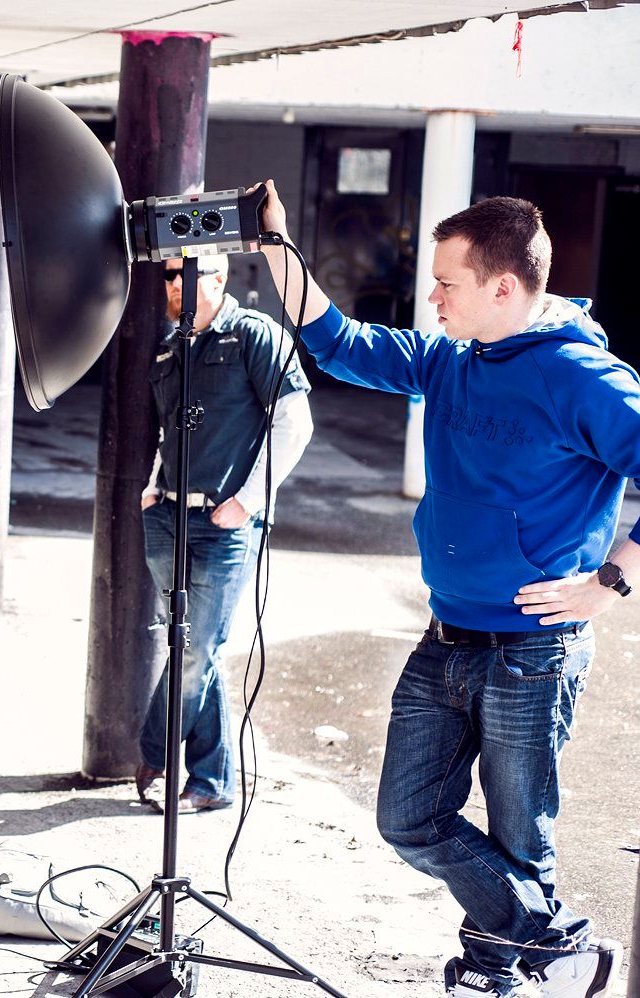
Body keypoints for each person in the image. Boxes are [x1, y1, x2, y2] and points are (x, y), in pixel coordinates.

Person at [255, 183, 628, 998]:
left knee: (521, 832)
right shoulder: (452, 360)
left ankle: (494, 972)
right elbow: (337, 341)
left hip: (535, 647)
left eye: (446, 283)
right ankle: (563, 948)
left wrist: (612, 579)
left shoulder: (585, 379)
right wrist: (275, 247)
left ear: (503, 287)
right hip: (446, 636)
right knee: (407, 818)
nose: (431, 297)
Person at [136, 253, 313, 814]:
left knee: (194, 650)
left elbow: (295, 422)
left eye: (186, 274)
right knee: (190, 647)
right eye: (167, 275)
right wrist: (150, 486)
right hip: (166, 516)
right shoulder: (169, 347)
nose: (174, 285)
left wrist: (248, 500)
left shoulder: (256, 335)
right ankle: (210, 784)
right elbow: (167, 431)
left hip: (223, 522)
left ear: (219, 277)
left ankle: (154, 752)